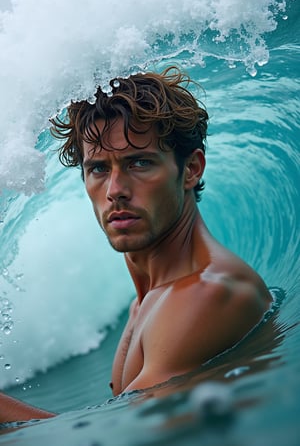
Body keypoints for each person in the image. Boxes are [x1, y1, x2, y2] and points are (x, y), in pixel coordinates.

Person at [0, 66, 272, 423]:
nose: (115, 190)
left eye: (139, 162)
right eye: (98, 169)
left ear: (191, 169)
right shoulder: (147, 301)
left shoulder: (206, 295)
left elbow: (122, 437)